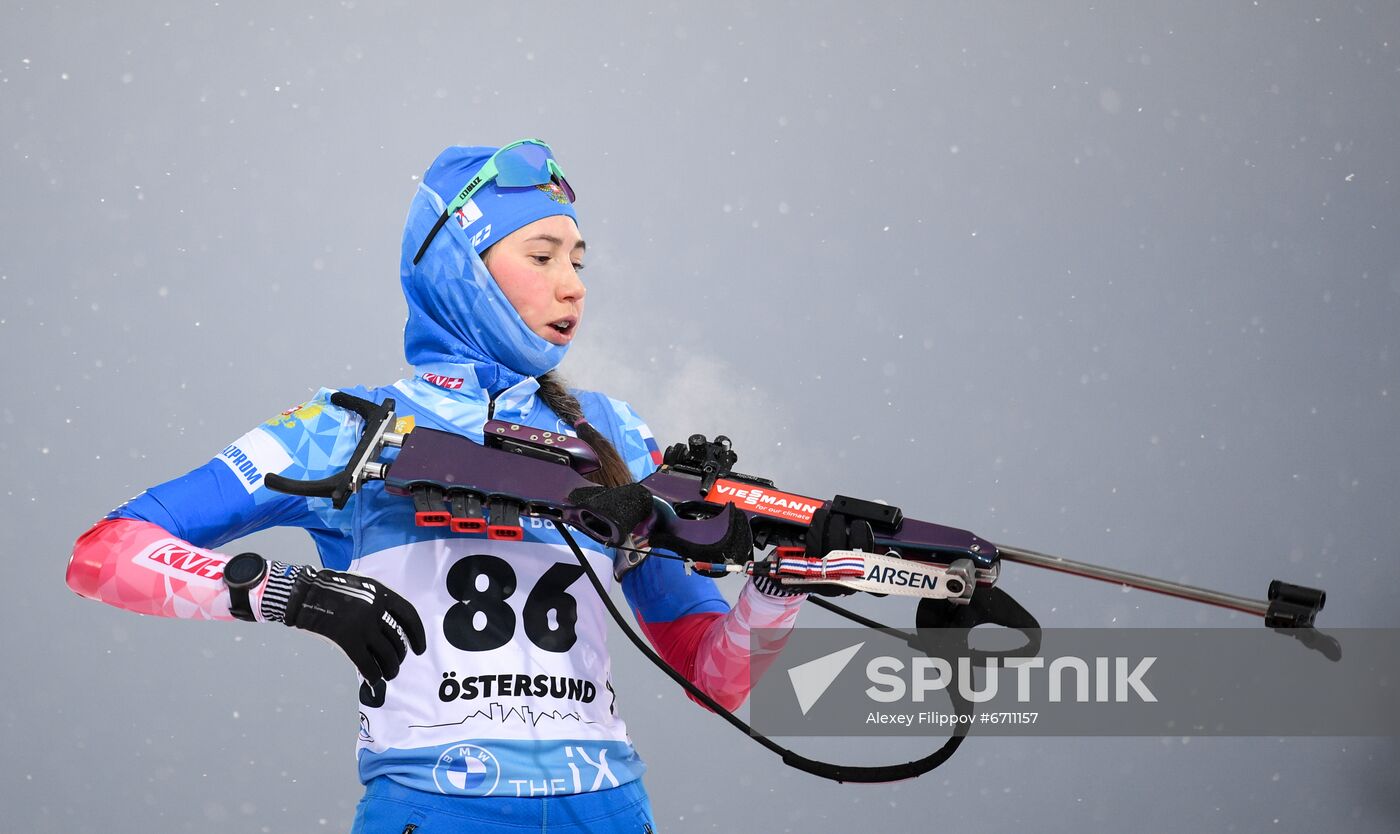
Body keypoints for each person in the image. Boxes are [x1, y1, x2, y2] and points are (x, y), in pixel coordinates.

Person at [66, 139, 808, 833]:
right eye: (542, 255)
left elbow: (718, 677)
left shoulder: (614, 434)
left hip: (608, 807)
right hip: (433, 805)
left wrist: (778, 590)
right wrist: (287, 594)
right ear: (460, 265)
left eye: (580, 261)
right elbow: (106, 552)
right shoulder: (344, 426)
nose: (573, 286)